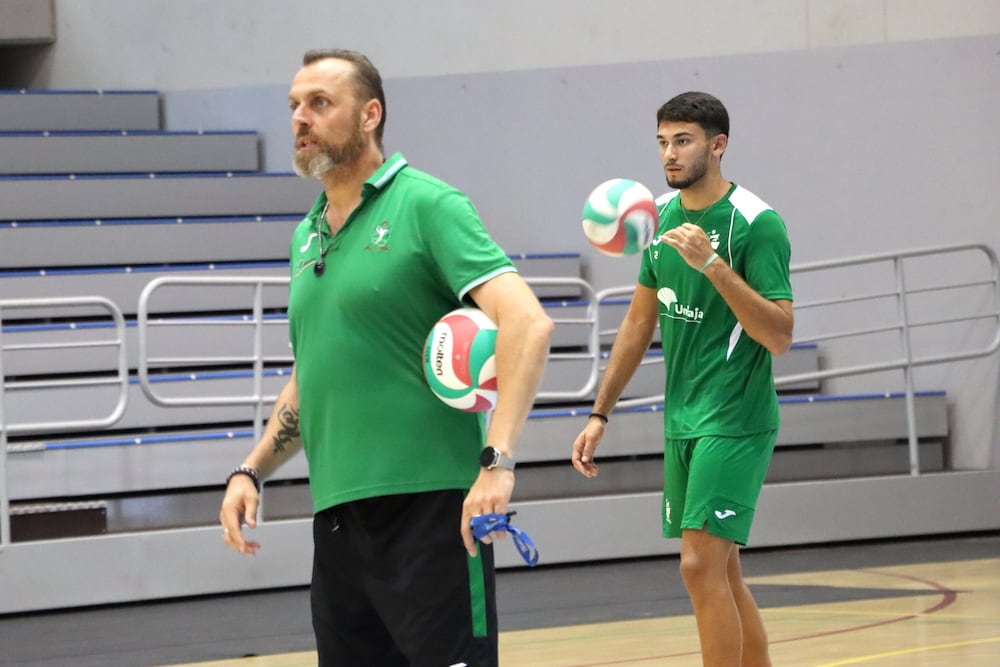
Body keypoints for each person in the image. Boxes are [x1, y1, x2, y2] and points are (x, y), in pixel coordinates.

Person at [219, 49, 553, 667]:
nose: (300, 118)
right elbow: (315, 373)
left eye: (320, 103)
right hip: (339, 521)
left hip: (432, 515)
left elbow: (528, 323)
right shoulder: (307, 234)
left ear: (370, 114)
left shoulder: (427, 205)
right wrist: (252, 470)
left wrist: (498, 462)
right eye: (294, 105)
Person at [571, 91, 793, 667]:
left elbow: (780, 334)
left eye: (683, 141)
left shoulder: (757, 224)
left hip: (736, 417)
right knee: (722, 572)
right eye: (663, 143)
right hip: (684, 418)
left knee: (697, 566)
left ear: (717, 145)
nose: (669, 154)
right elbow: (638, 324)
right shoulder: (661, 221)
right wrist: (600, 413)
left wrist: (713, 265)